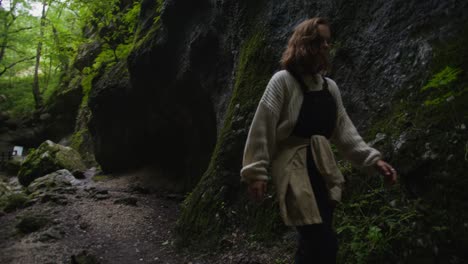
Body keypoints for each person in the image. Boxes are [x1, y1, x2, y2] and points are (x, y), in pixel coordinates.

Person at [240, 17, 397, 264]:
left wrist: (373, 161)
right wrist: (256, 173)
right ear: (304, 44)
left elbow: (345, 131)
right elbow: (263, 128)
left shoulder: (330, 87)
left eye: (327, 41)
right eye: (319, 41)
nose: (325, 46)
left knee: (312, 244)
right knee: (322, 240)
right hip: (294, 168)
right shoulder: (282, 81)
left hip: (323, 169)